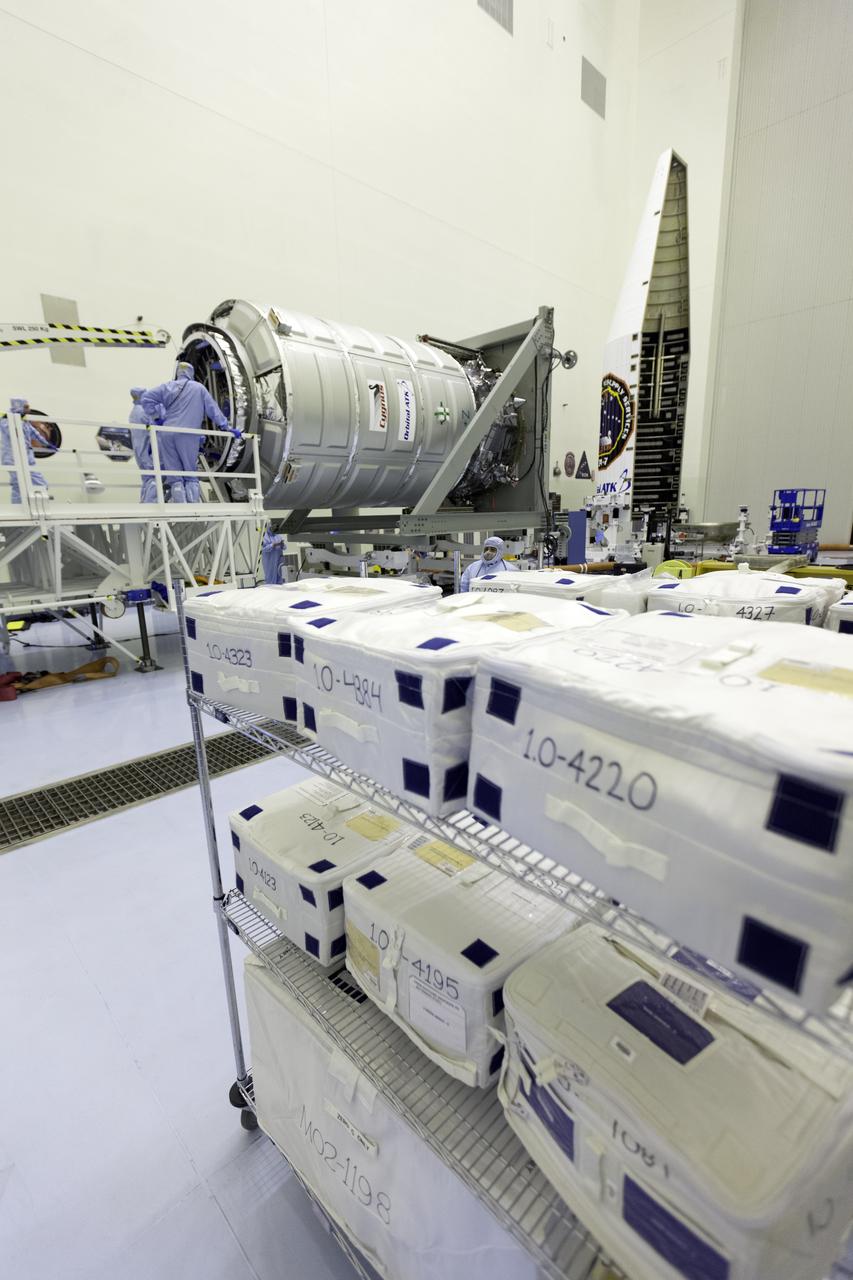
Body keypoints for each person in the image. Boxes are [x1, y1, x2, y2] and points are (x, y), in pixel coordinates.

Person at [141, 362, 237, 503]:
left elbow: (146, 399)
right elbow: (213, 410)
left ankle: (181, 509)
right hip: (187, 435)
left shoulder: (167, 386)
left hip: (166, 433)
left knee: (174, 476)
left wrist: (156, 417)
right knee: (190, 474)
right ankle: (192, 510)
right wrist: (226, 427)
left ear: (178, 372)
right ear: (191, 373)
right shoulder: (198, 388)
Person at [0, 397, 52, 504]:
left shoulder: (24, 420)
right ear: (18, 406)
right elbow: (14, 433)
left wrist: (47, 444)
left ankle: (36, 499)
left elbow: (35, 433)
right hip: (13, 458)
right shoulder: (6, 420)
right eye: (26, 406)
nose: (29, 409)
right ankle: (18, 506)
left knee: (36, 481)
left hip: (27, 457)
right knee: (19, 484)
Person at [128, 386, 157, 502]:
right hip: (146, 449)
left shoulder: (134, 412)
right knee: (153, 479)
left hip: (139, 449)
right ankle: (150, 508)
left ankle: (144, 504)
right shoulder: (141, 411)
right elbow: (152, 425)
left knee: (147, 479)